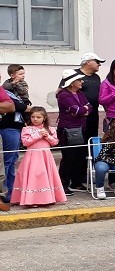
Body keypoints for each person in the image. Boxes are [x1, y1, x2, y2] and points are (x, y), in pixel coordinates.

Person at [10, 107, 65, 207]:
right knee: (33, 176)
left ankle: (47, 198)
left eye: (38, 117)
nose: (35, 119)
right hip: (32, 157)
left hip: (45, 156)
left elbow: (55, 142)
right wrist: (39, 135)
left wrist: (47, 136)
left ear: (44, 118)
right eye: (33, 117)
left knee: (45, 175)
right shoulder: (27, 129)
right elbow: (26, 142)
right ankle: (31, 199)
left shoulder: (50, 129)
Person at [56, 69, 92, 195]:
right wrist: (83, 110)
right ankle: (63, 184)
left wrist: (83, 109)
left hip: (80, 129)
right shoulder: (64, 95)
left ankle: (76, 182)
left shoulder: (79, 93)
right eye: (79, 80)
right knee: (68, 157)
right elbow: (77, 110)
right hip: (68, 130)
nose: (82, 81)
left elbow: (89, 106)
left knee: (79, 156)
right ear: (72, 82)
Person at [1, 64, 29, 201]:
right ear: (12, 75)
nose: (23, 77)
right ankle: (6, 192)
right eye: (20, 74)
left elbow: (25, 102)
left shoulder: (22, 88)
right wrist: (26, 108)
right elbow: (16, 106)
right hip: (8, 127)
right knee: (8, 160)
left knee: (13, 159)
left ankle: (11, 191)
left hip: (17, 126)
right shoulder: (6, 88)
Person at [75, 52, 104, 140]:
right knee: (80, 139)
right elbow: (61, 91)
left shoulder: (96, 77)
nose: (99, 64)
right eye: (97, 62)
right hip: (79, 114)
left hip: (93, 113)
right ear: (88, 62)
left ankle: (91, 154)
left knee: (92, 137)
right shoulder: (74, 74)